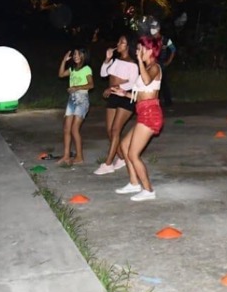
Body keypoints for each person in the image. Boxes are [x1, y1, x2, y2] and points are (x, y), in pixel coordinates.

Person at [113, 35, 164, 202]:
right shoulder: (147, 66)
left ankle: (148, 190)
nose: (138, 51)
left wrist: (140, 61)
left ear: (149, 50)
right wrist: (125, 93)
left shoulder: (154, 67)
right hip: (143, 112)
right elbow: (140, 95)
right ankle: (134, 183)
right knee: (124, 145)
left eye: (141, 48)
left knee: (133, 154)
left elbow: (147, 80)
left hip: (151, 114)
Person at [95, 33, 139, 175]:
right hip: (114, 96)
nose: (118, 44)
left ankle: (108, 163)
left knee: (115, 130)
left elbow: (133, 82)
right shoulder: (115, 60)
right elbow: (103, 74)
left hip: (125, 97)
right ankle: (121, 157)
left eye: (122, 42)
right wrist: (107, 59)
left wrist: (116, 88)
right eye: (119, 41)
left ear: (128, 46)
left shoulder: (132, 63)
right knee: (109, 130)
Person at [57, 47, 94, 165]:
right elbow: (61, 74)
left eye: (78, 54)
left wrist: (76, 88)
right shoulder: (72, 69)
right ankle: (66, 156)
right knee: (66, 129)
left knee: (74, 129)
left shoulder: (86, 69)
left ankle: (79, 157)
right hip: (71, 100)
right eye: (74, 54)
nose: (75, 56)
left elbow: (91, 85)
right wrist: (64, 61)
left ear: (84, 55)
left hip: (82, 99)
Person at [154, 25, 176, 107]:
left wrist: (169, 61)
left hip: (162, 64)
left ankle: (168, 102)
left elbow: (173, 49)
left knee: (164, 83)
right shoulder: (152, 40)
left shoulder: (166, 40)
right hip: (154, 64)